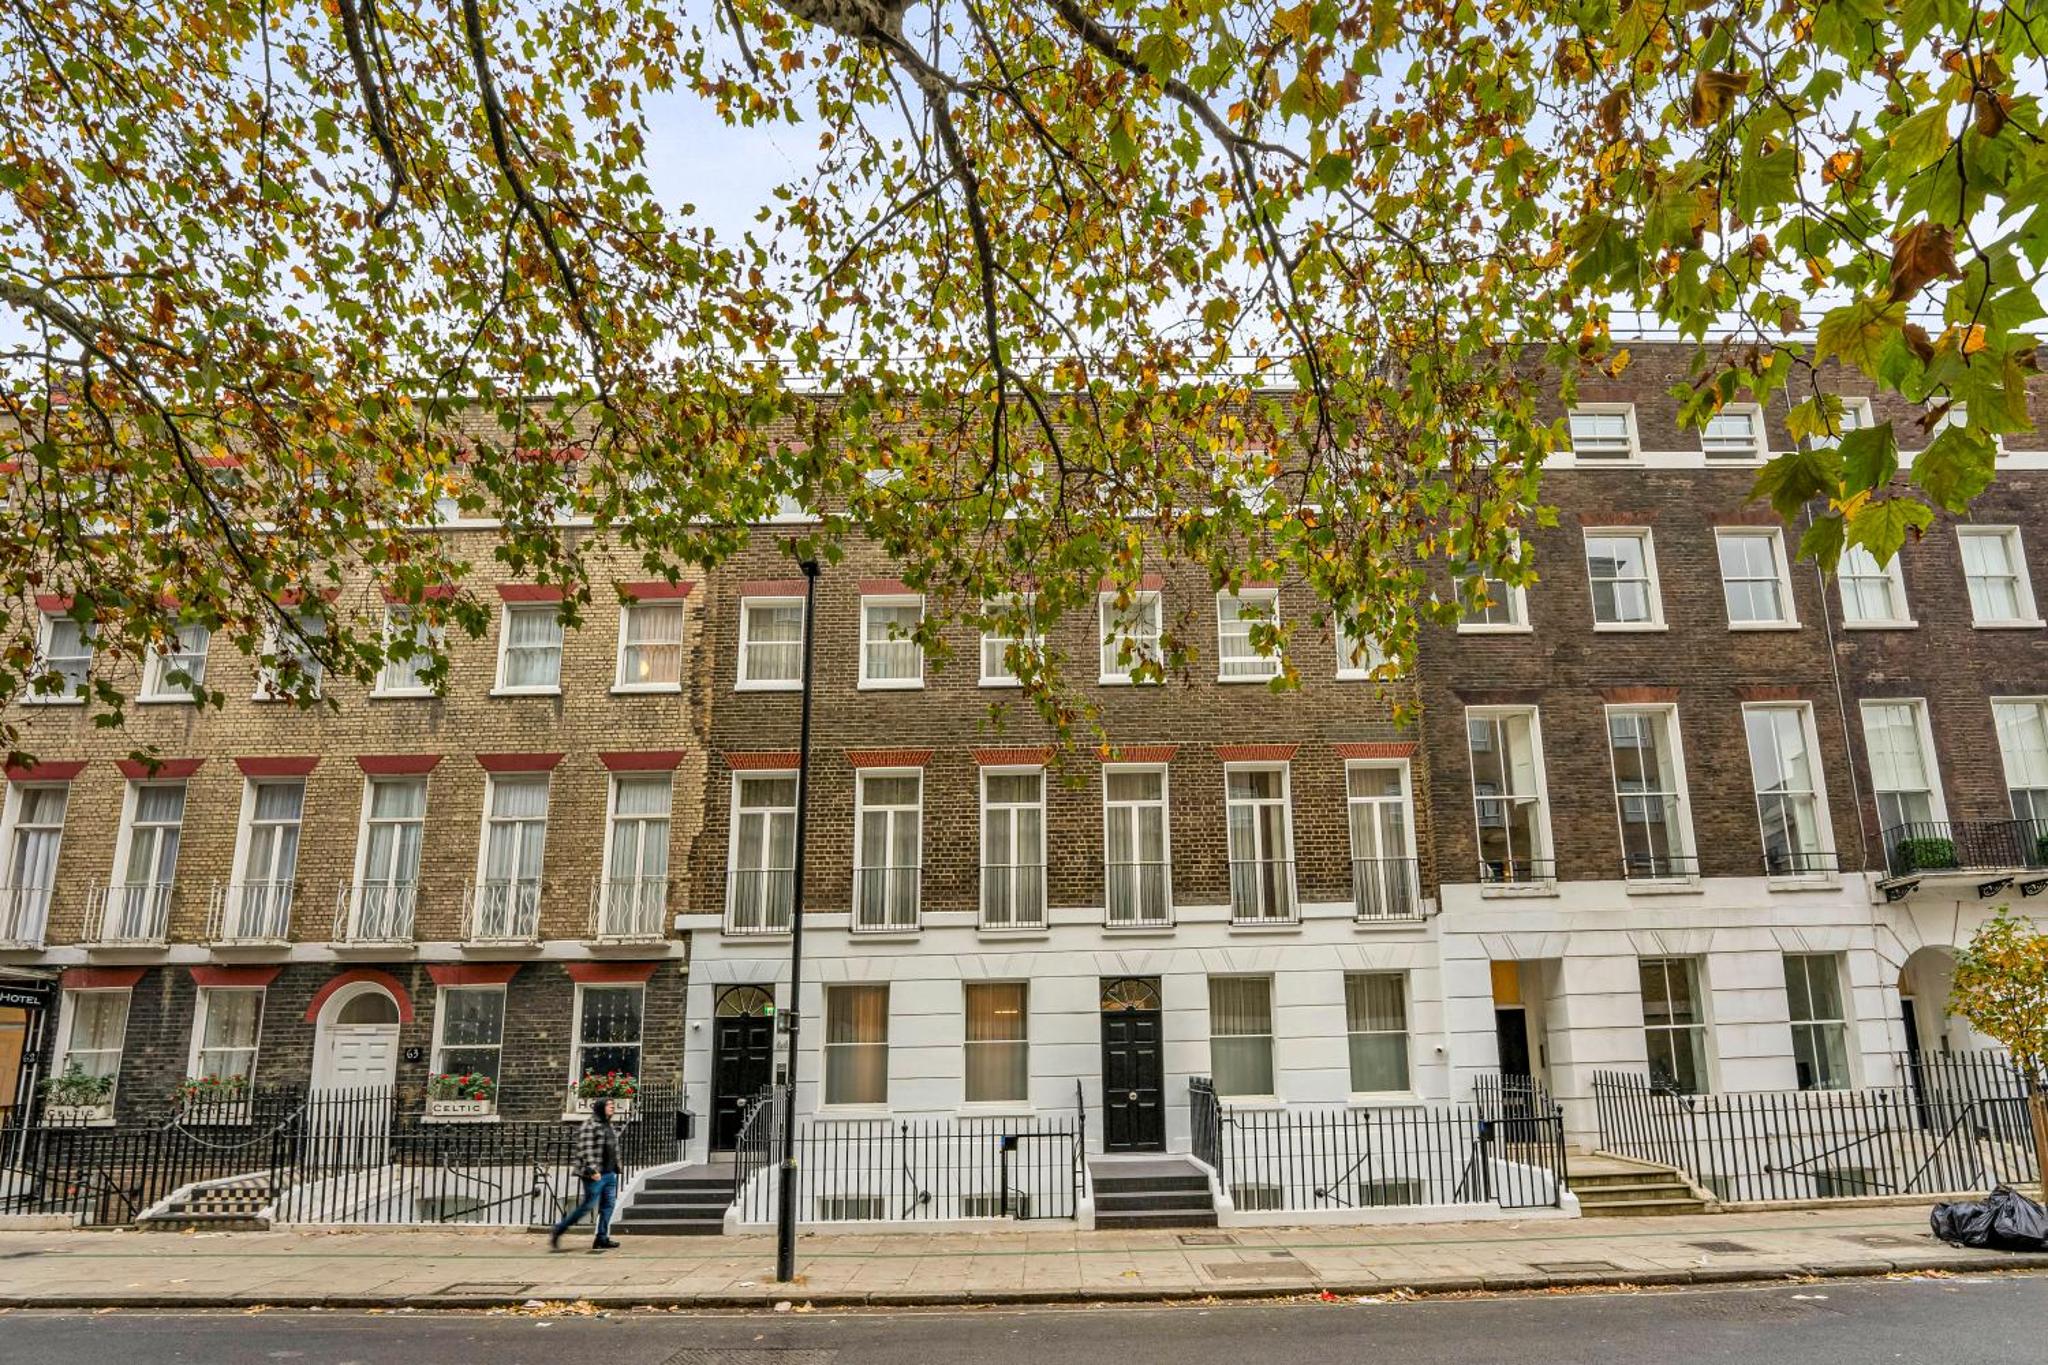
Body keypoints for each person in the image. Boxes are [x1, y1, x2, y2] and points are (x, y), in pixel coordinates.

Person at [550, 1097, 623, 1250]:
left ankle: (601, 1238)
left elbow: (613, 1148)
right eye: (609, 1105)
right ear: (600, 1107)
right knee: (587, 1206)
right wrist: (592, 1170)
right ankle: (559, 1229)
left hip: (609, 1173)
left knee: (608, 1205)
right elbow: (585, 1149)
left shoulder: (608, 1124)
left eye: (613, 1105)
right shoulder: (590, 1124)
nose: (612, 1108)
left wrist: (617, 1166)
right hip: (595, 1174)